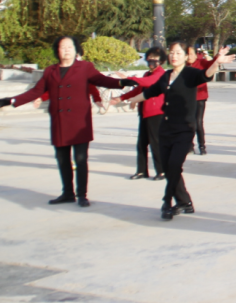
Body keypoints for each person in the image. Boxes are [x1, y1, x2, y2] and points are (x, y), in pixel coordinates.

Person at [0, 37, 136, 207]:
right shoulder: (50, 71)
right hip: (60, 122)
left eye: (70, 47)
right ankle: (67, 193)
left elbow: (101, 80)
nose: (66, 50)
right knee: (62, 159)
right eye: (62, 47)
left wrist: (121, 83)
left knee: (80, 159)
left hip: (79, 123)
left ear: (75, 49)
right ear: (57, 50)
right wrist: (10, 101)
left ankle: (82, 195)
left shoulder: (85, 67)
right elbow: (36, 91)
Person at [128, 42, 233, 220]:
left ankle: (167, 202)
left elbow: (205, 75)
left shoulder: (190, 74)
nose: (174, 56)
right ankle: (185, 202)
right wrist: (133, 100)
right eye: (171, 52)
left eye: (178, 53)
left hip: (184, 129)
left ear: (185, 56)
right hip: (165, 129)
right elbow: (151, 92)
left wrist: (217, 62)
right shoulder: (166, 76)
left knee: (175, 165)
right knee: (170, 169)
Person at [113, 47, 167, 180]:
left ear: (160, 61)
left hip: (156, 113)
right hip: (144, 112)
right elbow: (138, 89)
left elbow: (148, 83)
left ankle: (161, 171)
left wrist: (129, 78)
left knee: (155, 143)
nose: (150, 62)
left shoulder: (161, 74)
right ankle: (141, 171)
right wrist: (121, 98)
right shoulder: (146, 74)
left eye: (154, 60)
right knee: (141, 143)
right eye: (148, 60)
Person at [185, 46, 219, 155]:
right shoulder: (183, 66)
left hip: (200, 96)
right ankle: (190, 146)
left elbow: (212, 65)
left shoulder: (201, 63)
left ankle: (202, 146)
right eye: (187, 54)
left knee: (198, 122)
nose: (189, 56)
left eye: (191, 54)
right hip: (187, 97)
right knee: (189, 122)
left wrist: (218, 56)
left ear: (196, 54)